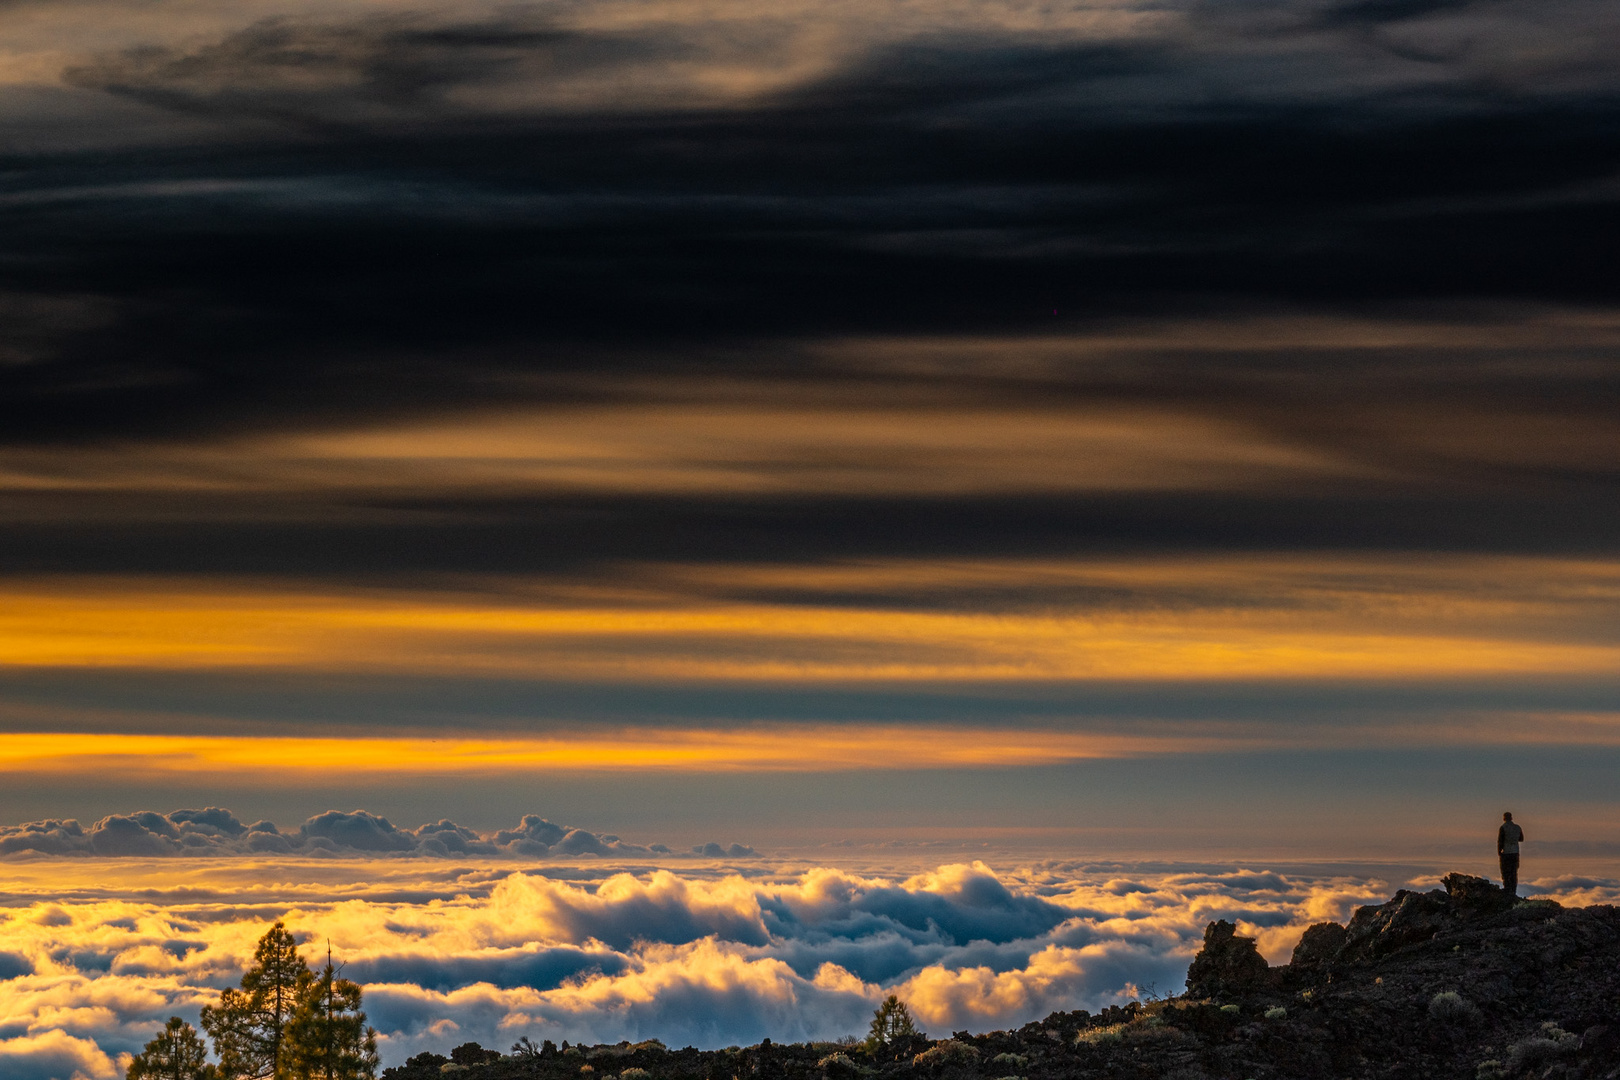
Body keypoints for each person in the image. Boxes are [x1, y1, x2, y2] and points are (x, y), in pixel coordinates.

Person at [1498, 812, 1524, 898]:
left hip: (1506, 853)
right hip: (1515, 853)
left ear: (1504, 818)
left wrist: (1499, 852)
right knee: (1514, 873)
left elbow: (1500, 841)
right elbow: (1521, 839)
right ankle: (1513, 891)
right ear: (1511, 818)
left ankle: (1507, 891)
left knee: (1506, 873)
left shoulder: (1503, 828)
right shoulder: (1517, 827)